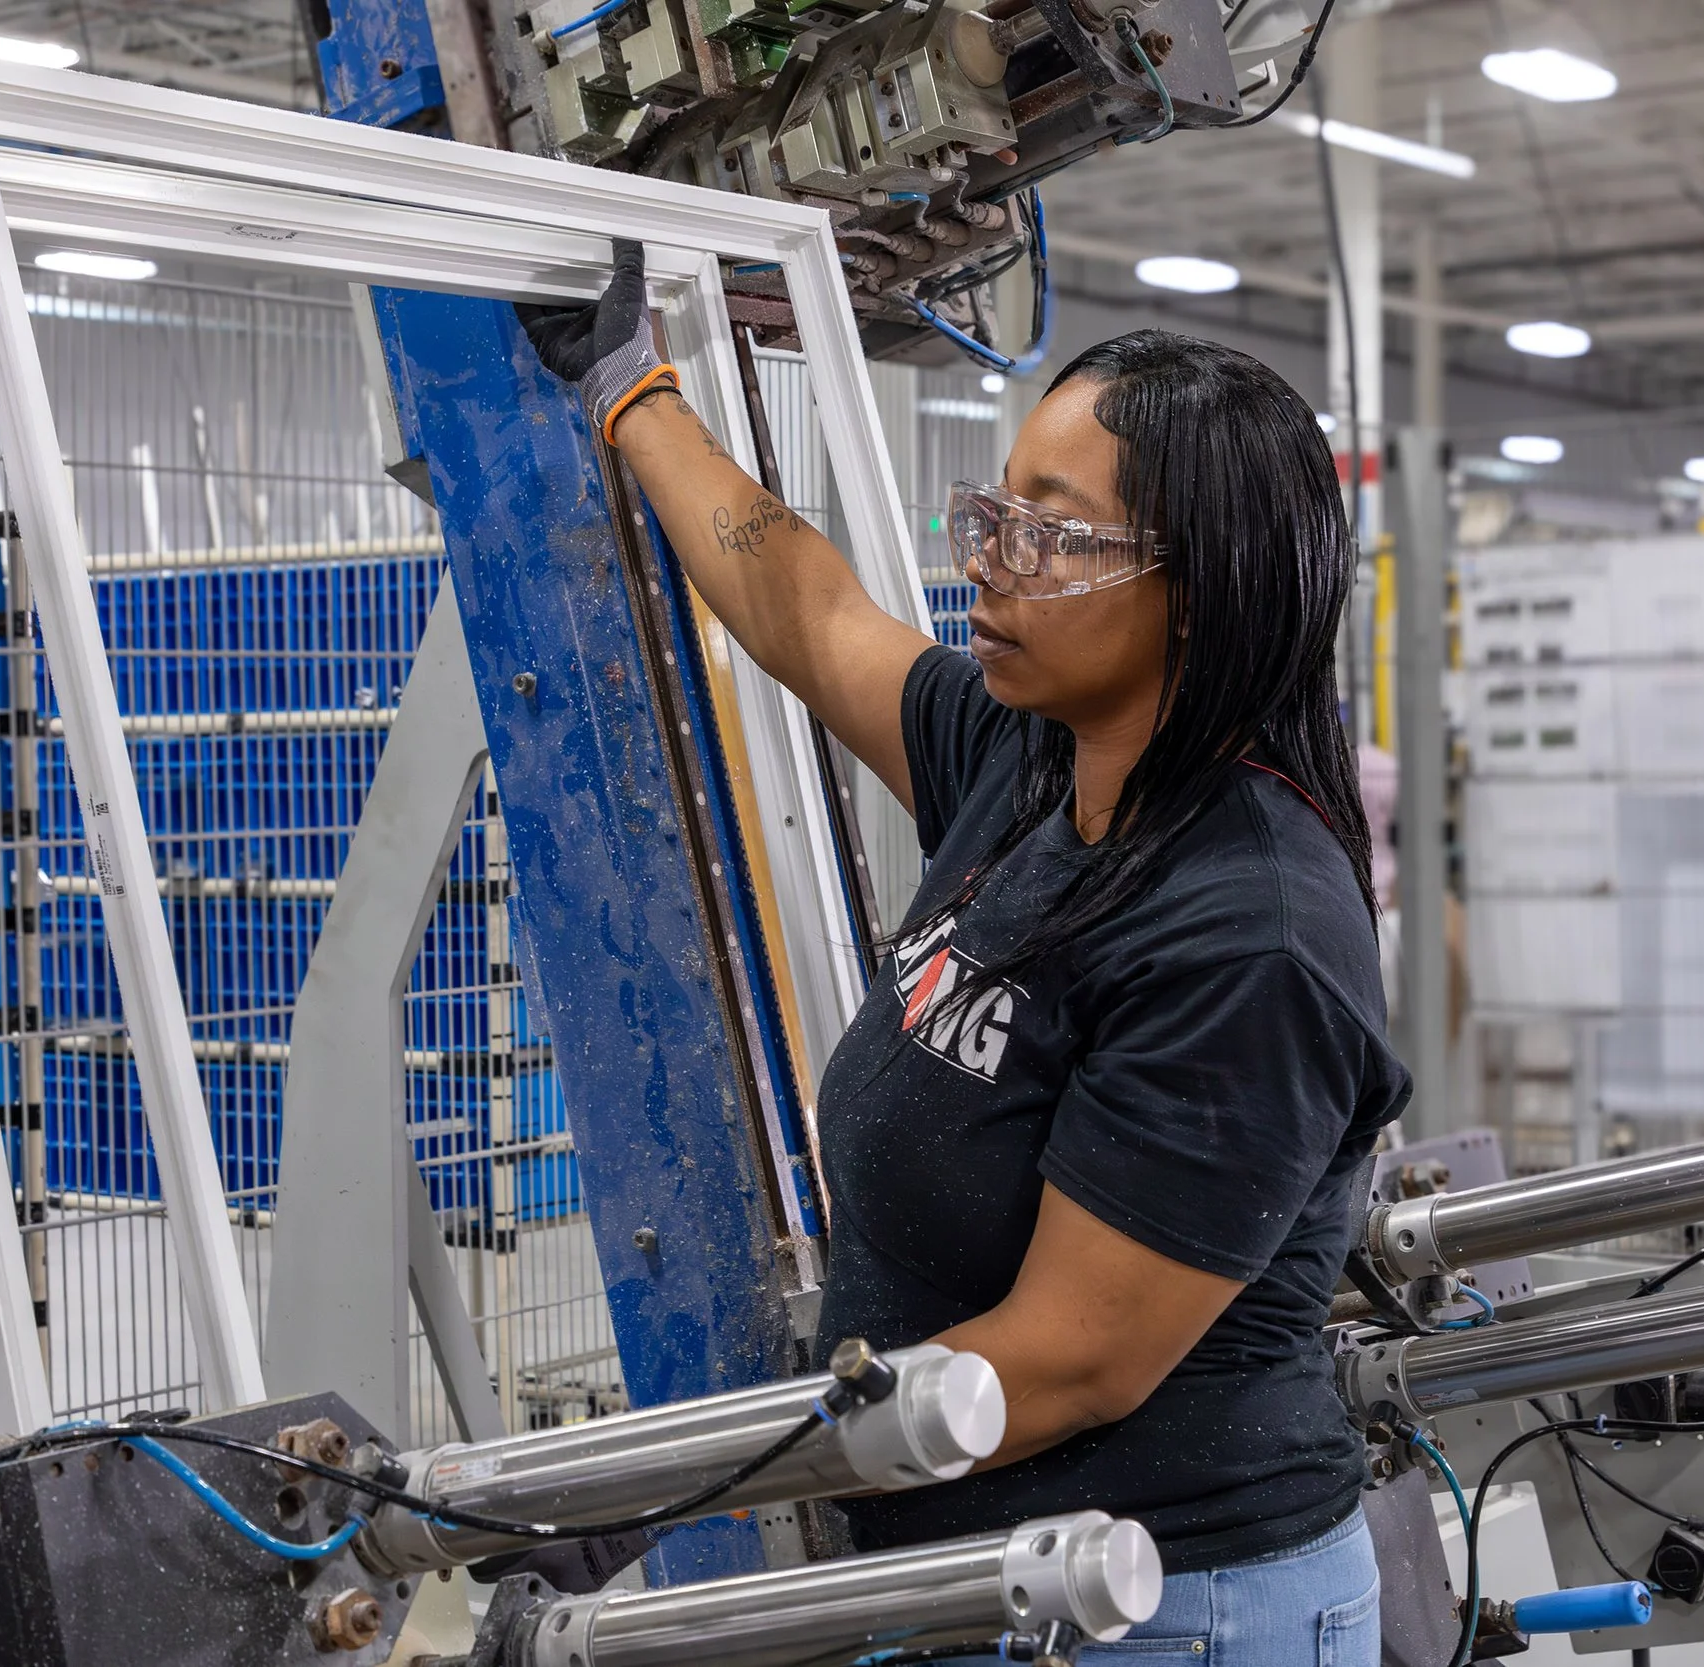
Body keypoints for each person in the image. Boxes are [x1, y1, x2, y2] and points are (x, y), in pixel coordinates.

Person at [518, 243, 1410, 1666]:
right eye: (994, 515)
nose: (988, 563)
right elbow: (808, 612)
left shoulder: (1251, 933)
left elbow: (1069, 1357)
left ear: (1208, 590)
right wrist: (633, 386)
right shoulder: (1035, 764)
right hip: (983, 1576)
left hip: (1166, 1607)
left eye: (1049, 536)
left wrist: (679, 1480)